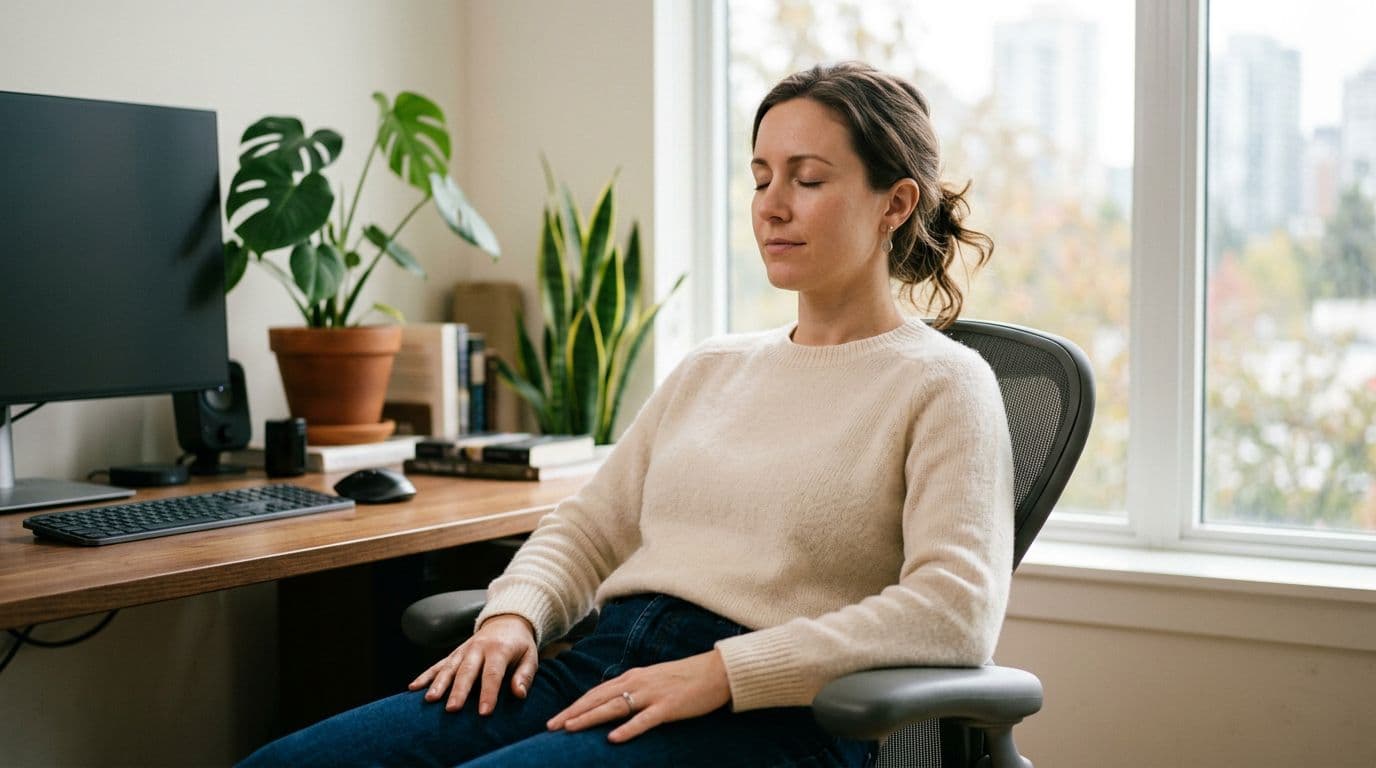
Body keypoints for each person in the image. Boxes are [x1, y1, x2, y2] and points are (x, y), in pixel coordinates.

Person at [239, 61, 1012, 768]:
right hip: (597, 659)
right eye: (760, 177)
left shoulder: (943, 384)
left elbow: (953, 613)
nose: (772, 207)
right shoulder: (715, 367)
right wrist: (513, 616)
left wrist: (724, 673)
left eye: (807, 180)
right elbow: (592, 526)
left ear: (896, 203)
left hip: (775, 713)